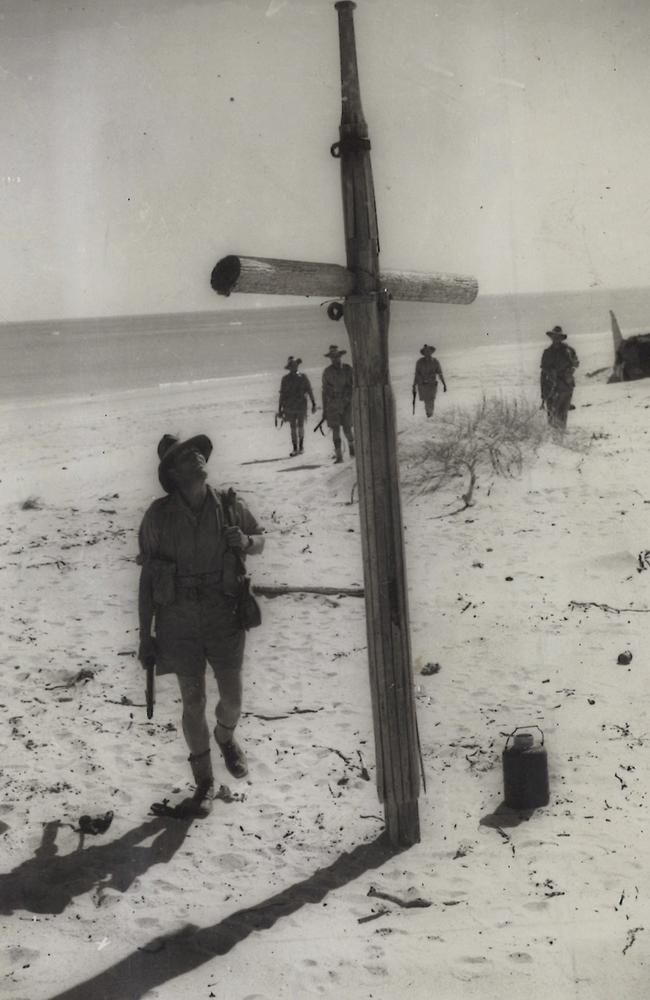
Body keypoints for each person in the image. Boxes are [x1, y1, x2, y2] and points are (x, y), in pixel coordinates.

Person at [137, 433, 264, 813]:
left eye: (196, 452)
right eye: (184, 457)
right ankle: (205, 782)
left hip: (224, 615)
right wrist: (146, 636)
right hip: (178, 621)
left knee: (232, 699)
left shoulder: (228, 505)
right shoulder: (157, 516)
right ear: (173, 474)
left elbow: (260, 540)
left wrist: (243, 540)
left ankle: (225, 737)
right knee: (193, 699)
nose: (195, 457)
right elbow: (146, 580)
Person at [540, 325, 579, 429]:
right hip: (551, 387)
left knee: (562, 414)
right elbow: (543, 372)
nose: (556, 339)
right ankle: (554, 440)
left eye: (558, 337)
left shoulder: (569, 350)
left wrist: (570, 371)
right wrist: (543, 393)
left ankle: (561, 438)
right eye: (554, 336)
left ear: (561, 338)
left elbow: (576, 363)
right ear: (551, 337)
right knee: (552, 415)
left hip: (566, 386)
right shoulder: (547, 352)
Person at [277, 356, 317, 456]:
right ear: (289, 367)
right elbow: (282, 394)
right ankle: (295, 448)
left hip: (301, 405)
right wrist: (280, 409)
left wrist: (314, 403)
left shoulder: (303, 377)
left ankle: (301, 447)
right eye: (292, 366)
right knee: (292, 427)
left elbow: (309, 390)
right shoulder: (285, 379)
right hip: (289, 406)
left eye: (295, 365)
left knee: (300, 426)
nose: (294, 367)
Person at [322, 344, 354, 463]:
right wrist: (325, 410)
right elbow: (325, 391)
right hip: (333, 405)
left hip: (347, 404)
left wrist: (346, 401)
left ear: (340, 356)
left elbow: (352, 386)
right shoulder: (327, 372)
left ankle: (352, 450)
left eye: (336, 356)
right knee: (335, 430)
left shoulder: (347, 369)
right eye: (332, 357)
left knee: (347, 430)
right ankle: (339, 456)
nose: (334, 359)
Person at [413, 344, 446, 418]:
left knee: (431, 399)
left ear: (431, 352)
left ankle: (430, 414)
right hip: (423, 384)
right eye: (426, 351)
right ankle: (428, 414)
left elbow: (440, 373)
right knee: (426, 400)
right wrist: (414, 385)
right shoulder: (419, 362)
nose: (427, 353)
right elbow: (416, 374)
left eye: (429, 351)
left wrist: (444, 384)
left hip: (432, 384)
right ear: (423, 353)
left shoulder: (435, 362)